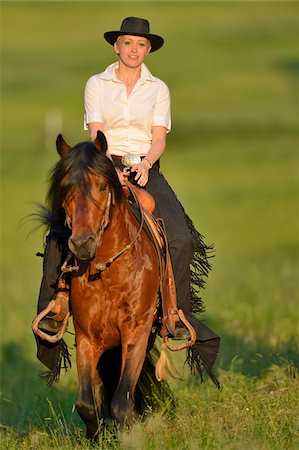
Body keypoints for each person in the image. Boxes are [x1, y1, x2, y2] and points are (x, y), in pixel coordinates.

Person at [35, 17, 220, 379]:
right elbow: (97, 133)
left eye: (140, 44)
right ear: (116, 47)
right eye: (127, 43)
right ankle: (54, 307)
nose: (134, 50)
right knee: (60, 230)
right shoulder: (97, 84)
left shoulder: (158, 88)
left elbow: (160, 136)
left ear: (148, 49)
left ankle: (174, 316)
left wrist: (148, 164)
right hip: (102, 164)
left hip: (145, 166)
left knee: (180, 237)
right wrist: (109, 170)